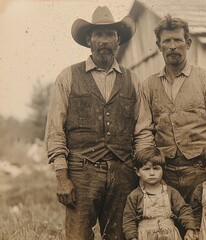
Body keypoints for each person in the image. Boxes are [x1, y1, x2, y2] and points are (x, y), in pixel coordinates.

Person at [45, 6, 140, 240]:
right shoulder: (68, 77)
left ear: (119, 40)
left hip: (122, 174)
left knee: (120, 235)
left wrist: (140, 171)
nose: (105, 40)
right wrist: (62, 177)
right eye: (99, 34)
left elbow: (143, 129)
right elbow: (55, 130)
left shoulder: (133, 79)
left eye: (111, 34)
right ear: (89, 39)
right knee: (78, 236)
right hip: (81, 173)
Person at [134, 14, 206, 205]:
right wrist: (149, 170)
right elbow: (144, 132)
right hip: (165, 174)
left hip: (201, 170)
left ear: (188, 43)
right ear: (158, 45)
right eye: (166, 41)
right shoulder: (148, 85)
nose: (172, 46)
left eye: (177, 40)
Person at [122, 146, 197, 240]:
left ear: (163, 170)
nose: (152, 173)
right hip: (145, 236)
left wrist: (190, 228)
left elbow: (184, 210)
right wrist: (132, 237)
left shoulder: (171, 192)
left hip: (170, 236)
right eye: (146, 169)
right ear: (137, 172)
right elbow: (128, 220)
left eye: (156, 168)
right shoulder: (135, 196)